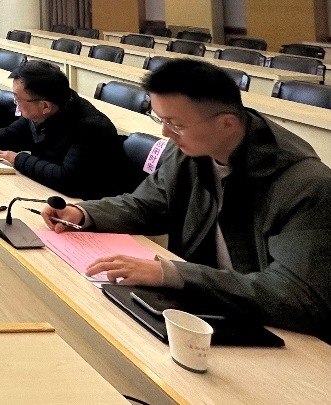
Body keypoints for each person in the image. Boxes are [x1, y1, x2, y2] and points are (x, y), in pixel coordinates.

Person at [41, 58, 331, 339]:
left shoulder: (307, 185)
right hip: (203, 306)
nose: (165, 133)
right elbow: (149, 204)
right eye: (160, 119)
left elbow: (295, 296)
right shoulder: (188, 150)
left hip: (275, 329)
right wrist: (83, 214)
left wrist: (171, 274)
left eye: (175, 124)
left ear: (227, 124)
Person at [0, 60, 128, 199]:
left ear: (45, 106)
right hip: (49, 191)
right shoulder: (49, 107)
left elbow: (67, 179)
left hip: (84, 205)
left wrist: (18, 159)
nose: (15, 104)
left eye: (18, 99)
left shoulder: (91, 127)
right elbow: (14, 133)